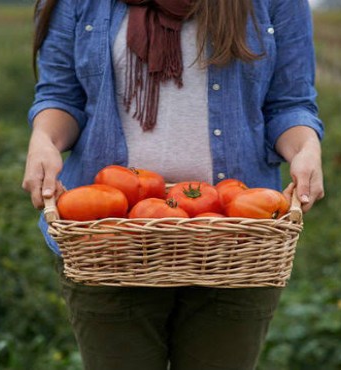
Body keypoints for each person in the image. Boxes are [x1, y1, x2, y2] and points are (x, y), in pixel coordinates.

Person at [22, 0, 325, 369]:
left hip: (234, 240)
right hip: (109, 237)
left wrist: (306, 149)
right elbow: (61, 97)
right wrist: (44, 140)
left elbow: (289, 105)